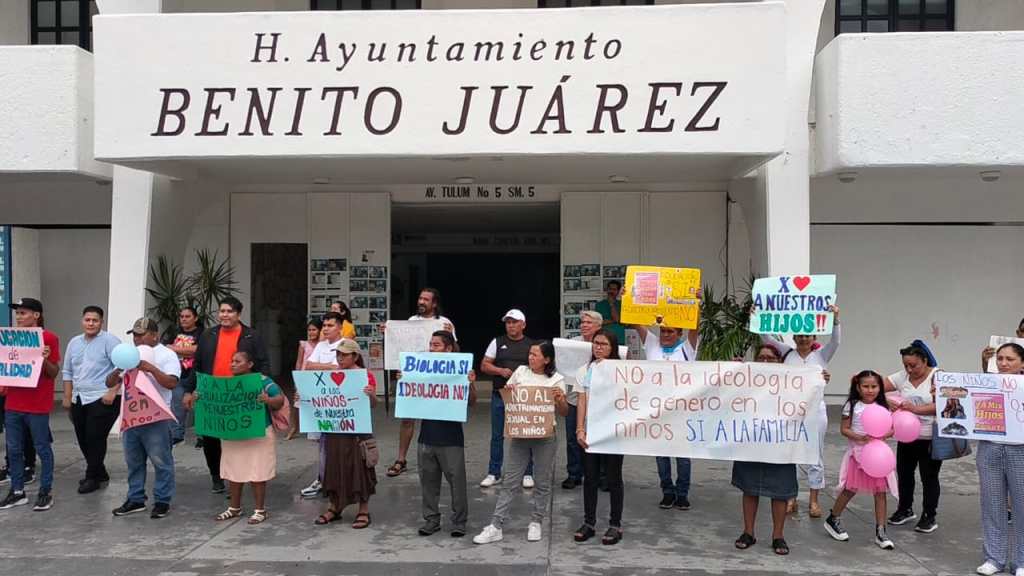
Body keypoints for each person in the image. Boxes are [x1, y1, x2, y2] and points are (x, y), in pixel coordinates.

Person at [474, 341, 568, 545]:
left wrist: (560, 400)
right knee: (510, 482)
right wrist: (510, 390)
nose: (531, 357)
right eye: (530, 354)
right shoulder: (521, 372)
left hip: (545, 437)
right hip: (520, 435)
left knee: (542, 482)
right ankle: (496, 525)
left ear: (547, 359)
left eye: (535, 354)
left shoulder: (557, 380)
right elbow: (511, 397)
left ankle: (536, 521)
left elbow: (563, 412)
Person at [182, 297, 271, 494]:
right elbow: (197, 365)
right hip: (212, 395)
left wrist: (263, 385)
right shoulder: (208, 335)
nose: (225, 315)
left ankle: (238, 476)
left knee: (239, 438)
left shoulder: (251, 336)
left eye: (229, 311)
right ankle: (217, 475)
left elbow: (263, 363)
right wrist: (189, 390)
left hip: (241, 395)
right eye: (222, 311)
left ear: (238, 314)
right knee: (211, 438)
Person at [761, 304, 840, 518]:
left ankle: (814, 500)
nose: (803, 339)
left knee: (815, 455)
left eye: (807, 335)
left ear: (813, 336)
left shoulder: (821, 356)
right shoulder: (787, 354)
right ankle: (791, 497)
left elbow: (836, 341)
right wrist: (758, 316)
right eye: (800, 335)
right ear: (794, 337)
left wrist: (835, 319)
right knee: (791, 454)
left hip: (816, 412)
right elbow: (766, 338)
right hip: (791, 412)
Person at [109, 318, 181, 519]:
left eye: (142, 334)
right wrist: (117, 369)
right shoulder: (129, 355)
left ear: (155, 335)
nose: (137, 338)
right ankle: (135, 498)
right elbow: (109, 381)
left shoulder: (166, 355)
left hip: (156, 417)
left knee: (161, 461)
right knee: (133, 462)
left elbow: (172, 383)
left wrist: (151, 368)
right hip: (132, 416)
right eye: (135, 334)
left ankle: (162, 500)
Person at [731, 343, 798, 555]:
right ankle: (748, 532)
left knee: (780, 491)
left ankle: (778, 536)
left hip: (780, 444)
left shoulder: (792, 383)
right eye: (761, 358)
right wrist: (732, 373)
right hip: (751, 442)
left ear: (779, 361)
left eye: (771, 358)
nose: (766, 362)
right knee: (750, 488)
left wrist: (818, 380)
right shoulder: (746, 381)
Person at [204, 351, 283, 525]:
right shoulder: (225, 384)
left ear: (250, 364)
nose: (232, 364)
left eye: (237, 361)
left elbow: (280, 400)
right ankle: (234, 508)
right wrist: (199, 398)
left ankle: (260, 510)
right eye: (231, 361)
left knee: (258, 470)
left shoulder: (263, 381)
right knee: (234, 469)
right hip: (234, 433)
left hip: (259, 432)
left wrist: (267, 400)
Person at [823, 370, 897, 550]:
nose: (870, 390)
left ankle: (881, 531)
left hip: (878, 455)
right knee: (850, 489)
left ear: (880, 388)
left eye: (874, 386)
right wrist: (859, 437)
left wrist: (882, 435)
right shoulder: (852, 405)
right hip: (858, 454)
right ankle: (833, 518)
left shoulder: (883, 406)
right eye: (866, 386)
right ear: (858, 387)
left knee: (880, 492)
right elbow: (844, 429)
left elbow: (891, 429)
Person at [386, 288, 455, 478]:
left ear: (434, 303)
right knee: (407, 419)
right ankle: (401, 459)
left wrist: (451, 336)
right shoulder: (411, 322)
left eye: (426, 299)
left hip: (437, 380)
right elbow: (401, 347)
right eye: (420, 298)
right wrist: (389, 334)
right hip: (413, 377)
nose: (421, 302)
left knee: (437, 420)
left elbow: (455, 351)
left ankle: (439, 460)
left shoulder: (445, 323)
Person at [311, 339, 378, 529]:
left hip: (357, 431)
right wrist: (304, 397)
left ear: (355, 356)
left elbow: (373, 404)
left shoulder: (364, 376)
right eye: (338, 354)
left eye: (344, 355)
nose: (340, 358)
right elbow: (318, 400)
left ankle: (363, 510)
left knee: (359, 468)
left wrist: (371, 394)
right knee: (333, 467)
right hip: (334, 429)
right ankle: (335, 506)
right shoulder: (329, 376)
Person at [0, 298, 60, 511]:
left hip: (37, 404)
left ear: (36, 315)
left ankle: (45, 491)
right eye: (17, 313)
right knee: (14, 449)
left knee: (42, 447)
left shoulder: (49, 338)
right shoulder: (10, 338)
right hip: (14, 402)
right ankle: (17, 491)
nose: (18, 317)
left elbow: (54, 373)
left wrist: (44, 358)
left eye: (23, 313)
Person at [634, 318, 700, 511]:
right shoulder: (653, 344)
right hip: (657, 411)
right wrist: (627, 300)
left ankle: (682, 493)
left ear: (680, 334)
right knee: (661, 454)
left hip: (681, 412)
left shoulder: (687, 349)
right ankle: (667, 492)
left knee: (682, 455)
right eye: (663, 331)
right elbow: (637, 323)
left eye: (670, 332)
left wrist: (695, 303)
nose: (665, 335)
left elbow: (695, 328)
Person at [415, 330, 477, 538]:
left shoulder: (460, 372)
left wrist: (470, 383)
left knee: (457, 482)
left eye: (436, 345)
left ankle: (459, 521)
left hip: (451, 438)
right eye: (430, 345)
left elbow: (471, 401)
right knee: (428, 482)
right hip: (426, 436)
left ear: (448, 348)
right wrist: (406, 379)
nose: (431, 349)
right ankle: (431, 520)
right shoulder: (422, 371)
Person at [974, 342, 1024, 576]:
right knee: (992, 505)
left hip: (1020, 451)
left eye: (1010, 359)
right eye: (1000, 358)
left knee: (1022, 507)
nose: (1004, 363)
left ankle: (1022, 561)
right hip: (990, 448)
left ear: (1022, 363)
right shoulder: (988, 382)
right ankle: (994, 558)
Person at [62, 305, 122, 494]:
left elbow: (123, 367)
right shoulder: (74, 343)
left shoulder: (110, 341)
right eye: (87, 320)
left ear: (101, 322)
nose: (91, 323)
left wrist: (112, 391)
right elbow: (67, 371)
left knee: (95, 437)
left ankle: (92, 477)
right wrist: (67, 396)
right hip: (79, 398)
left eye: (95, 320)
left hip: (103, 398)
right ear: (82, 321)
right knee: (83, 438)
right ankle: (100, 471)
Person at [574, 329, 625, 545]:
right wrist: (579, 429)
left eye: (603, 344)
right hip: (591, 431)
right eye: (596, 343)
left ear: (612, 348)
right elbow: (582, 401)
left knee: (613, 479)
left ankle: (615, 524)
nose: (598, 347)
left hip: (613, 432)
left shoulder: (622, 371)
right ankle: (589, 522)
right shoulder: (585, 370)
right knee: (590, 478)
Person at [884, 340, 941, 533]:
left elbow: (943, 405)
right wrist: (886, 400)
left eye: (913, 365)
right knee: (905, 474)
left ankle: (929, 515)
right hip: (906, 436)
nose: (909, 369)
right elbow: (872, 386)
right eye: (905, 365)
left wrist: (915, 409)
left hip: (930, 437)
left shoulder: (937, 376)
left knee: (929, 477)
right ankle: (905, 508)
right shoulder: (902, 377)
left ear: (924, 361)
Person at [479, 309, 534, 488]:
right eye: (508, 322)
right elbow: (484, 365)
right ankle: (494, 472)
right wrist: (500, 371)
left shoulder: (531, 345)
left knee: (525, 434)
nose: (510, 325)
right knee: (497, 436)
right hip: (500, 394)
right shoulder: (497, 342)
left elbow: (538, 367)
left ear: (523, 325)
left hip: (523, 397)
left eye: (514, 322)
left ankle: (528, 472)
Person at [299, 312, 346, 499]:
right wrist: (328, 366)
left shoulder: (345, 346)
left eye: (330, 325)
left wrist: (321, 366)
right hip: (320, 400)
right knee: (322, 444)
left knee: (339, 443)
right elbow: (308, 365)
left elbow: (339, 369)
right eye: (324, 325)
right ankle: (323, 478)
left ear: (340, 327)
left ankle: (338, 480)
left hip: (338, 402)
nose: (326, 329)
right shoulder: (320, 345)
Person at [561, 310, 601, 490]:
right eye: (582, 322)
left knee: (596, 438)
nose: (584, 325)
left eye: (589, 322)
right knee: (572, 438)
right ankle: (574, 474)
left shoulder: (605, 343)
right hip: (574, 398)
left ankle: (599, 476)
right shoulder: (572, 344)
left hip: (599, 401)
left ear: (599, 326)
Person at [164, 306, 202, 446]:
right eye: (182, 316)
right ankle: (177, 435)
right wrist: (184, 351)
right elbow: (165, 349)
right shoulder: (174, 332)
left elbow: (197, 350)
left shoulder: (201, 333)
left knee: (199, 405)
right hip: (177, 374)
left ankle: (202, 436)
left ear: (195, 318)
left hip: (196, 373)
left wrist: (175, 349)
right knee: (177, 404)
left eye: (187, 316)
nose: (184, 319)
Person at [289, 318, 323, 440]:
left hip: (318, 377)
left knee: (317, 402)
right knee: (298, 402)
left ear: (320, 330)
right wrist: (297, 378)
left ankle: (316, 429)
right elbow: (299, 362)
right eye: (309, 330)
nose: (311, 332)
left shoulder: (323, 345)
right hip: (304, 376)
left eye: (314, 329)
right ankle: (294, 427)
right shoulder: (303, 344)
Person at [595, 280, 626, 345]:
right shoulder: (599, 304)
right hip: (604, 339)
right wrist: (613, 320)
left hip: (619, 339)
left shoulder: (622, 304)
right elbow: (598, 322)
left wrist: (611, 304)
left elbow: (618, 319)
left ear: (618, 291)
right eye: (610, 289)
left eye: (614, 289)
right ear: (607, 290)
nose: (611, 291)